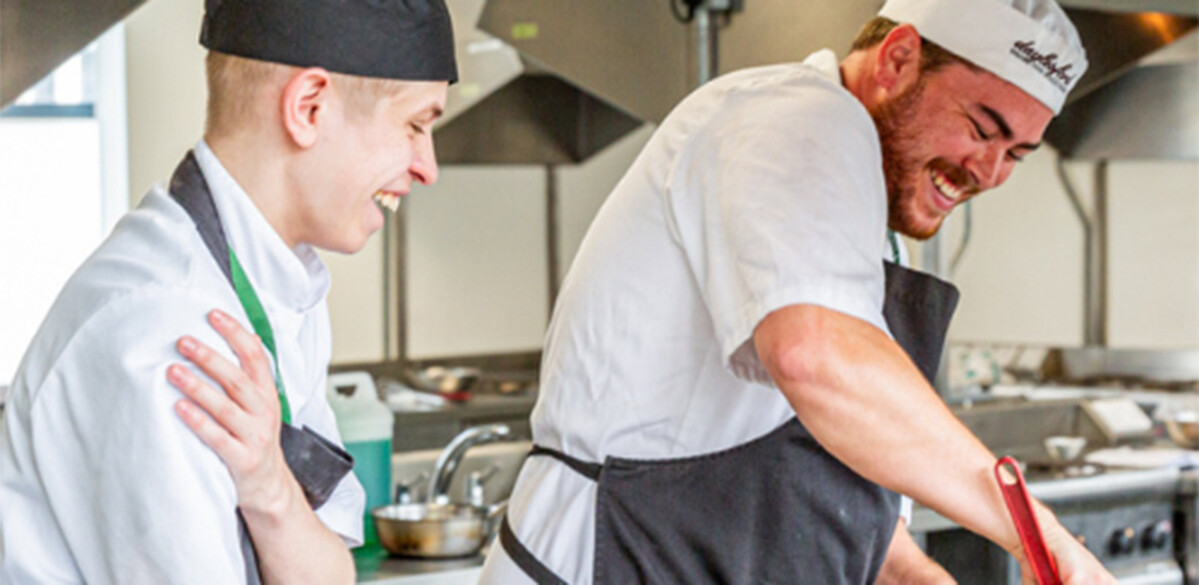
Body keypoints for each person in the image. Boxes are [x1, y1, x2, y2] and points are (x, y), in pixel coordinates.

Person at [479, 0, 1115, 584]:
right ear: (897, 59)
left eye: (1017, 154)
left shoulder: (862, 213)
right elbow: (814, 357)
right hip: (611, 558)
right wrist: (1040, 535)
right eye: (981, 128)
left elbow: (818, 482)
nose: (990, 172)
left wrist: (918, 578)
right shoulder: (795, 118)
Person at [0, 1, 455, 583]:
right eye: (415, 125)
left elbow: (331, 574)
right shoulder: (169, 337)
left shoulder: (281, 289)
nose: (427, 167)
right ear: (308, 107)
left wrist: (273, 493)